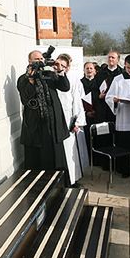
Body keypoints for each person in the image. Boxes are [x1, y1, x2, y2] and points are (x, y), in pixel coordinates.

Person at [17, 50, 70, 172]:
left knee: (56, 157)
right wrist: (31, 80)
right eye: (37, 59)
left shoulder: (49, 75)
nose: (40, 61)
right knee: (37, 159)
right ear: (30, 62)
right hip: (36, 126)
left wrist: (60, 70)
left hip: (53, 124)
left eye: (41, 59)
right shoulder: (23, 79)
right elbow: (26, 98)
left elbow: (65, 87)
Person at [105, 55, 130, 178]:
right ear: (124, 64)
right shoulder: (118, 79)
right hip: (122, 117)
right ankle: (124, 169)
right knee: (123, 145)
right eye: (128, 67)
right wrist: (114, 100)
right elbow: (108, 96)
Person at [55, 54, 87, 186]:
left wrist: (76, 121)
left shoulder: (73, 79)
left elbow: (77, 101)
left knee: (70, 150)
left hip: (69, 118)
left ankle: (72, 179)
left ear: (68, 67)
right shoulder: (52, 77)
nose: (61, 68)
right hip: (56, 117)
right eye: (59, 65)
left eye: (64, 66)